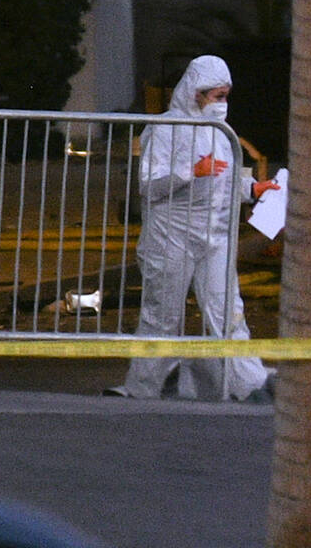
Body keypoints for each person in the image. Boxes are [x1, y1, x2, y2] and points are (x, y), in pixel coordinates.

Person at [107, 56, 279, 401]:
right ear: (196, 93)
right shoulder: (165, 129)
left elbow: (225, 182)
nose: (222, 103)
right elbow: (149, 185)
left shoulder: (222, 133)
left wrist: (253, 190)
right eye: (217, 95)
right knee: (162, 314)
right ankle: (143, 388)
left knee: (228, 311)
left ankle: (248, 384)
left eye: (226, 95)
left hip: (214, 235)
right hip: (171, 235)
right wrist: (191, 172)